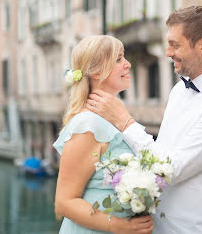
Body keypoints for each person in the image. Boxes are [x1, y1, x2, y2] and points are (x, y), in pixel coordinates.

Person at [87, 6, 202, 233]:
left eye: (175, 45)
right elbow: (158, 153)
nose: (167, 52)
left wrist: (124, 121)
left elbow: (170, 169)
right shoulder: (178, 91)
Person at [53, 35, 154, 234]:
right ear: (97, 71)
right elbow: (65, 202)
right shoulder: (88, 125)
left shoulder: (113, 121)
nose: (127, 65)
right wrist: (121, 226)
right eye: (118, 59)